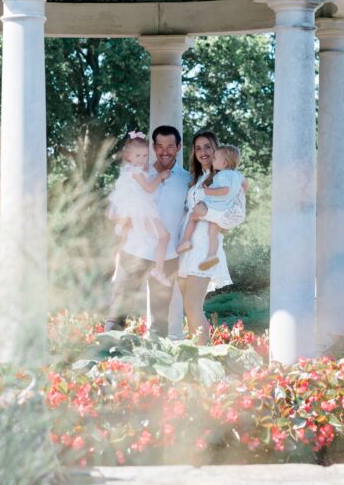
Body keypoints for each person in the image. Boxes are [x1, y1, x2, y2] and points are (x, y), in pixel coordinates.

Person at [104, 125, 190, 335]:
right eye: (159, 146)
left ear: (179, 147)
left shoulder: (187, 180)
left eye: (170, 146)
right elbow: (113, 209)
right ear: (153, 147)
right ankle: (105, 361)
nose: (165, 151)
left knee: (160, 322)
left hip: (167, 257)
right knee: (117, 314)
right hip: (134, 252)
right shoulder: (139, 172)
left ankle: (152, 365)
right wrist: (125, 219)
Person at [177, 130, 233, 343]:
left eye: (208, 146)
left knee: (193, 304)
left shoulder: (222, 178)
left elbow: (231, 216)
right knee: (188, 307)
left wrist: (207, 213)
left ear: (216, 148)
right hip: (187, 243)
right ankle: (196, 354)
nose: (203, 152)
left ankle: (205, 357)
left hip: (204, 246)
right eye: (198, 148)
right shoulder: (196, 179)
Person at [108, 131, 171, 287]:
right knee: (164, 236)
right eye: (138, 156)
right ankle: (159, 269)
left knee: (123, 240)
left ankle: (117, 271)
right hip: (140, 211)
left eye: (144, 156)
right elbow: (149, 188)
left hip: (131, 210)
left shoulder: (126, 171)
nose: (142, 160)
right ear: (128, 155)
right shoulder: (136, 172)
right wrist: (161, 176)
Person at [177, 143, 245, 271]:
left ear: (224, 163)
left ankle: (186, 241)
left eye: (215, 158)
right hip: (224, 210)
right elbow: (241, 188)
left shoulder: (223, 175)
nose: (212, 160)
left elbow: (224, 190)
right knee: (212, 233)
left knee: (192, 216)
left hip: (215, 207)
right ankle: (211, 256)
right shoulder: (237, 175)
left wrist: (208, 191)